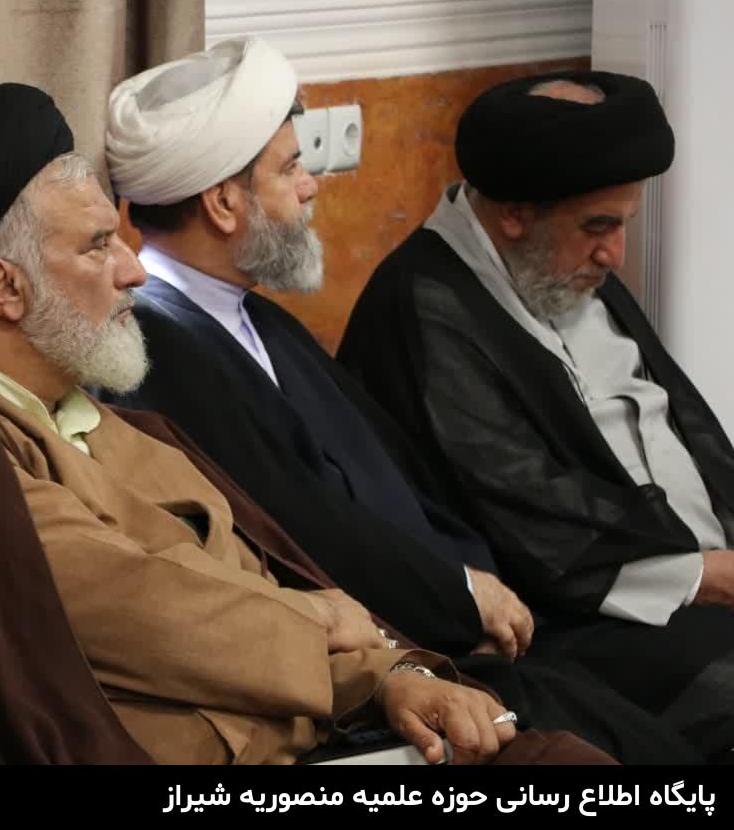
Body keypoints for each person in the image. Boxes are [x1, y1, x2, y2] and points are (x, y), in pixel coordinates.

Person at [0, 81, 616, 766]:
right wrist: (321, 620)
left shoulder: (102, 418)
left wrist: (391, 678)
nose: (133, 270)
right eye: (98, 246)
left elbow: (246, 574)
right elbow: (140, 608)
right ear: (5, 289)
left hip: (324, 722)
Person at [96, 38, 704, 764]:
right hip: (386, 671)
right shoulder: (161, 352)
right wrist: (460, 596)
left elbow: (402, 472)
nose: (311, 186)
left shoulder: (254, 317)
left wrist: (475, 582)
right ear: (224, 204)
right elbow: (301, 529)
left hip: (461, 633)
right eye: (289, 168)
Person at [337, 70, 734, 761]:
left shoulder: (560, 268)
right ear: (516, 214)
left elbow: (677, 423)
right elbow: (526, 523)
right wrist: (703, 575)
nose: (616, 253)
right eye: (598, 226)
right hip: (566, 625)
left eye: (623, 223)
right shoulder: (423, 307)